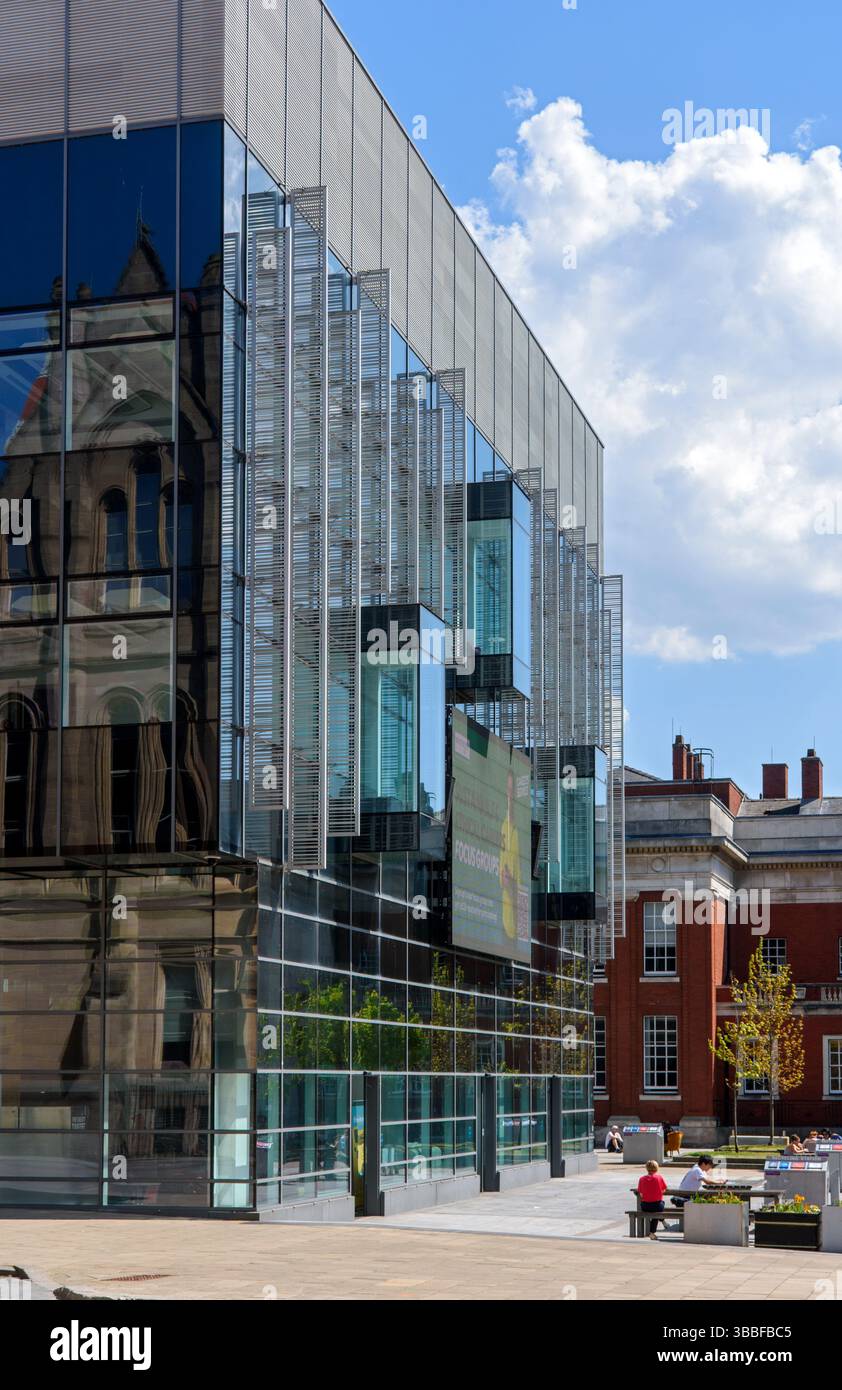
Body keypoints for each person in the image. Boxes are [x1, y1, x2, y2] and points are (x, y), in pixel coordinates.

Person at [637, 1159, 669, 1239]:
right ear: (657, 1168)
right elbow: (664, 1189)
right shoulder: (659, 1177)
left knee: (656, 1212)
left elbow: (640, 1193)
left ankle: (660, 1224)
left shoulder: (641, 1179)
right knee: (658, 1211)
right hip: (657, 1205)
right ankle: (652, 1232)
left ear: (647, 1168)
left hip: (645, 1206)